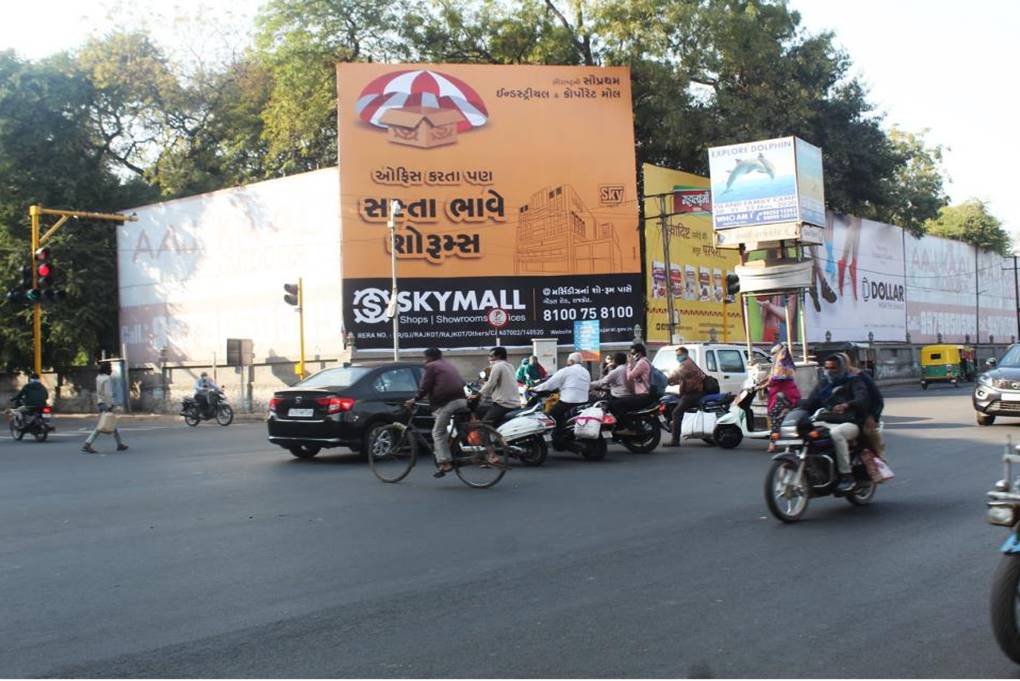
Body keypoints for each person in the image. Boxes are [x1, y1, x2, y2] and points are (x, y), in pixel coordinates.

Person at [797, 354, 871, 492]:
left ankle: (846, 475)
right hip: (826, 420)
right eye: (827, 367)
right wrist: (794, 409)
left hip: (850, 422)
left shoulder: (853, 381)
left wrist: (847, 405)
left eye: (833, 368)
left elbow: (862, 399)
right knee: (804, 432)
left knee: (836, 434)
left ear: (842, 367)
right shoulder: (824, 383)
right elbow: (811, 402)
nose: (829, 370)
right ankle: (814, 470)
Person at [406, 347, 469, 477]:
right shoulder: (448, 364)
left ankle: (445, 462)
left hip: (448, 402)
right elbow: (462, 382)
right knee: (442, 427)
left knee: (438, 432)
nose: (424, 361)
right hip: (461, 400)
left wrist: (414, 399)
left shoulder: (431, 366)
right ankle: (451, 450)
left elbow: (425, 387)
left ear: (428, 358)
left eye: (425, 358)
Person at [533, 352, 591, 447]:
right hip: (584, 401)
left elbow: (550, 384)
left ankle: (558, 437)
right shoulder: (586, 371)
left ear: (571, 361)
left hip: (568, 402)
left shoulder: (566, 370)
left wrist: (535, 389)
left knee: (551, 415)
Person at [837, 351, 886, 457]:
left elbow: (877, 399)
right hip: (840, 420)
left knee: (874, 450)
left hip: (861, 418)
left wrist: (872, 416)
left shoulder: (860, 377)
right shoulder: (830, 380)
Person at [665, 346, 707, 447]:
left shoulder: (686, 364)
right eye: (677, 355)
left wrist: (665, 381)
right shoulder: (688, 363)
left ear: (685, 354)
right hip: (691, 392)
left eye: (679, 355)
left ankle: (675, 441)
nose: (678, 357)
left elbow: (675, 375)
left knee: (676, 413)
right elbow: (681, 379)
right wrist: (672, 382)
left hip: (693, 393)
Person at [82, 362, 128, 454]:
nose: (111, 370)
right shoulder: (107, 379)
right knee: (102, 425)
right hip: (106, 403)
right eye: (110, 368)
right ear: (107, 369)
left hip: (100, 402)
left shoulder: (98, 377)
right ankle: (87, 443)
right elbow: (108, 393)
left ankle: (119, 444)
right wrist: (111, 404)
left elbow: (100, 392)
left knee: (111, 423)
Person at [472, 346, 521, 426]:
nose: (489, 359)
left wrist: (477, 394)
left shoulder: (497, 366)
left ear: (498, 356)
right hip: (515, 403)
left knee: (484, 425)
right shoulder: (510, 366)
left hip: (503, 404)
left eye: (491, 356)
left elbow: (491, 383)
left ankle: (487, 438)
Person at [765, 344, 802, 450]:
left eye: (774, 353)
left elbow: (774, 380)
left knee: (774, 414)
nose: (772, 356)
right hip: (785, 394)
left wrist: (765, 384)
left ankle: (773, 442)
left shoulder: (781, 364)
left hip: (784, 396)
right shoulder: (784, 363)